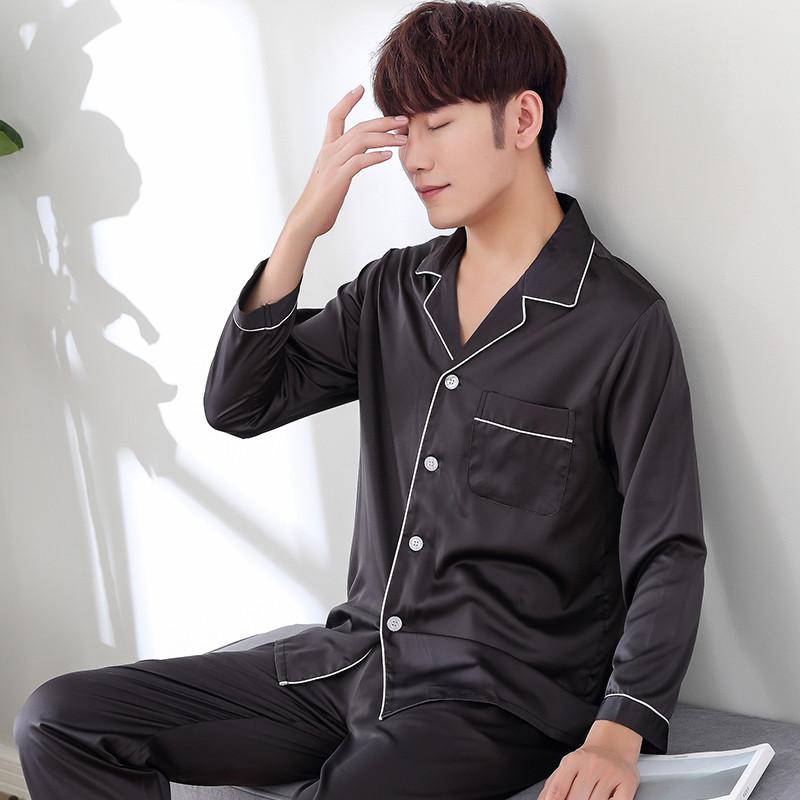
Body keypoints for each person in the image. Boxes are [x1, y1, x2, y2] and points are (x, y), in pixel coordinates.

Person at [13, 2, 706, 799]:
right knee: (58, 720)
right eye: (404, 130)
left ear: (522, 119)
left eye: (437, 125)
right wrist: (302, 227)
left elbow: (666, 547)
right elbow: (239, 404)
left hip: (496, 702)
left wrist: (618, 732)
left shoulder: (618, 321)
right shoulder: (393, 291)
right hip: (353, 661)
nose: (415, 157)